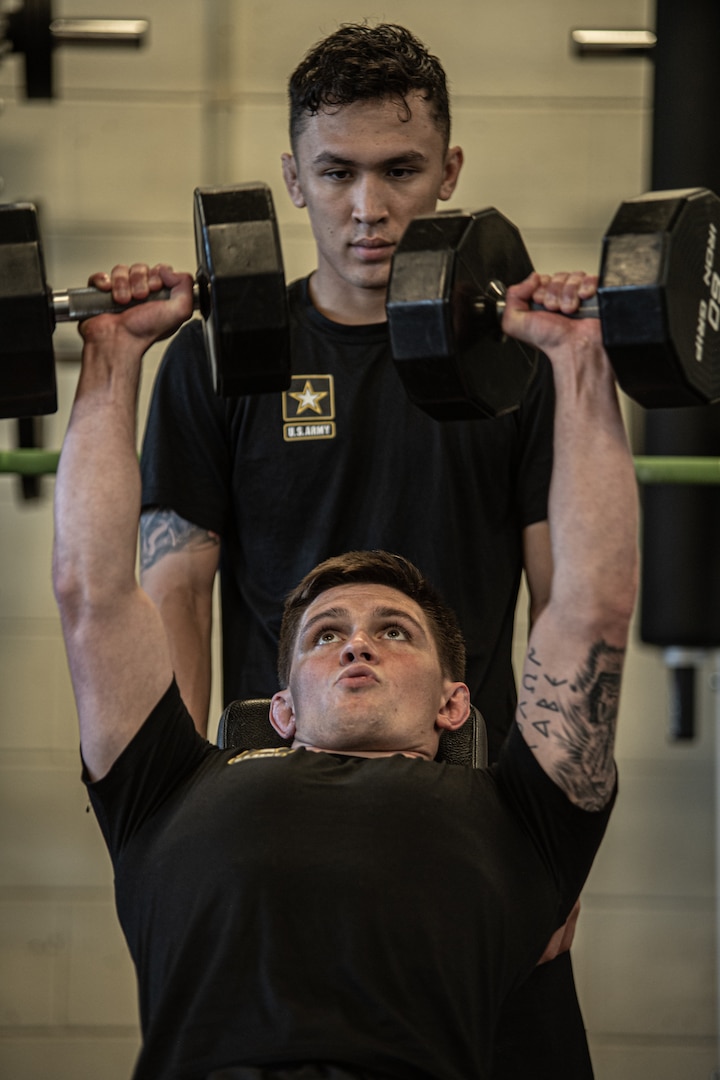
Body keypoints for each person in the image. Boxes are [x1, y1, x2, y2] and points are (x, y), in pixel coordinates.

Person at [52, 261, 639, 1080]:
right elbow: (93, 592)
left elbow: (592, 607)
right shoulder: (168, 792)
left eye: (394, 631)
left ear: (454, 702)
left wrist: (581, 361)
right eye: (325, 634)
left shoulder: (523, 822)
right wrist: (112, 358)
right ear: (279, 706)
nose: (356, 643)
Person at [137, 22, 589, 1079]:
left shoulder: (517, 370)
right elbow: (175, 589)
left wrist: (558, 845)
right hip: (267, 816)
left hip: (473, 815)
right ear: (293, 177)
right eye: (336, 171)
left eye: (401, 171)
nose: (368, 208)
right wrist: (169, 831)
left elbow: (567, 601)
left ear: (451, 174)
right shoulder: (221, 362)